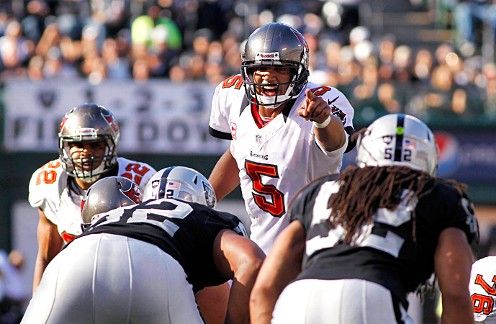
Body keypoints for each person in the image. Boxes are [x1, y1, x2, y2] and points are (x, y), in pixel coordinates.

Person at [250, 113, 479, 324]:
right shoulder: (438, 195)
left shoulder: (320, 190)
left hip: (298, 300)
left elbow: (265, 288)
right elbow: (456, 294)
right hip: (373, 297)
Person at [22, 167, 265, 324]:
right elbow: (250, 259)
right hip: (154, 265)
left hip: (71, 260)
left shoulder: (120, 212)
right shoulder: (197, 216)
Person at [208, 22, 355, 254]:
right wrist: (204, 201)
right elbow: (237, 152)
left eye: (280, 69)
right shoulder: (233, 97)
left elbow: (336, 145)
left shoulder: (320, 101)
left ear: (298, 71)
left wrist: (323, 119)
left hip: (314, 246)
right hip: (262, 244)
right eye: (260, 68)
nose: (268, 77)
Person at [27, 103, 156, 290]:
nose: (86, 153)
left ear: (111, 145)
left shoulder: (141, 181)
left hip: (131, 279)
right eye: (77, 144)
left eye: (95, 145)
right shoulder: (50, 183)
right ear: (64, 146)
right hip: (77, 282)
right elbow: (47, 257)